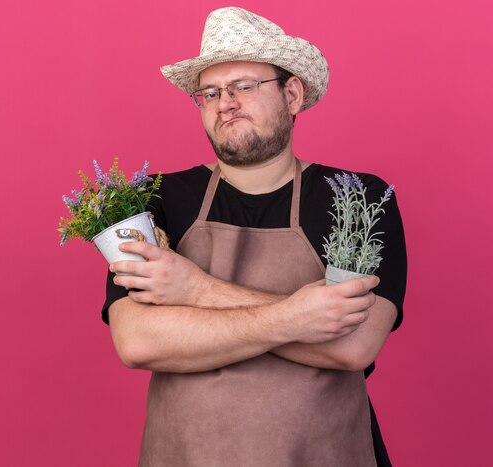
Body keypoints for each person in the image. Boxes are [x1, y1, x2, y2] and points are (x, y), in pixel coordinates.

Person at [102, 7, 406, 467]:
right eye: (209, 92)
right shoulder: (154, 199)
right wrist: (297, 316)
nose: (225, 102)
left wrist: (195, 291)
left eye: (244, 85)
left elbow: (352, 346)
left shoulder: (359, 199)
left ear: (292, 94)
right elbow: (138, 341)